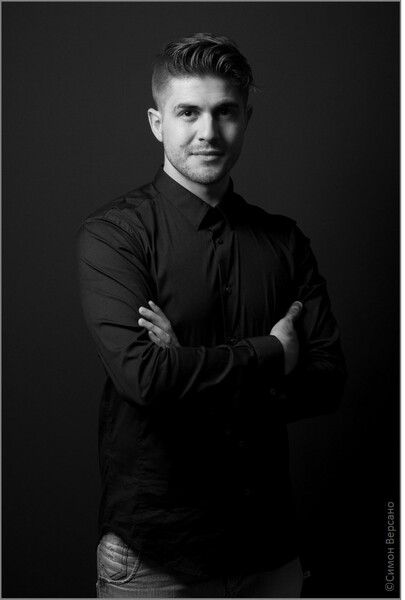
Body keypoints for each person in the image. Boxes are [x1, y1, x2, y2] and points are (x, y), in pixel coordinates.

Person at [77, 32, 346, 598]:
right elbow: (144, 379)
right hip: (158, 560)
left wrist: (187, 370)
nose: (208, 131)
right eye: (188, 112)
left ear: (246, 118)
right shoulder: (114, 237)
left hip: (269, 553)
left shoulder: (284, 242)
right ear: (157, 123)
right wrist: (271, 355)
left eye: (225, 111)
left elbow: (327, 380)